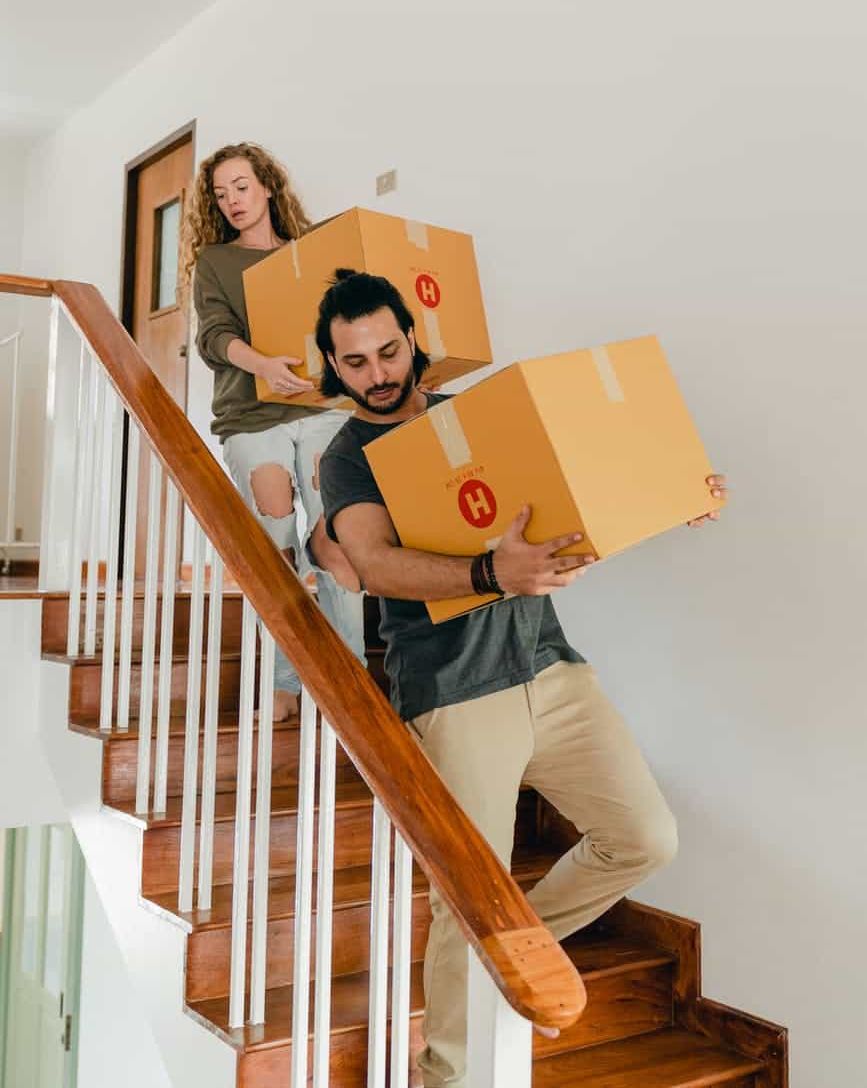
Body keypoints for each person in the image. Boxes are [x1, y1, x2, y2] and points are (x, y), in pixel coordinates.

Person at [314, 269, 727, 1088]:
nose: (378, 373)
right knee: (467, 896)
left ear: (411, 341)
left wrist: (669, 495)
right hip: (454, 695)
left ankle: (504, 952)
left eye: (388, 351)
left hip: (552, 669)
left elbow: (569, 510)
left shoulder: (474, 421)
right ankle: (449, 1074)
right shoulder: (348, 458)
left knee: (645, 839)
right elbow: (373, 563)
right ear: (332, 366)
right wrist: (490, 573)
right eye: (355, 362)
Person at [179, 144, 365, 719]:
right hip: (252, 415)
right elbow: (214, 337)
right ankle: (286, 679)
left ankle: (350, 674)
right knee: (278, 542)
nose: (231, 200)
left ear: (266, 186)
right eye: (220, 193)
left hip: (321, 408)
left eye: (240, 186)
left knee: (339, 538)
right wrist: (261, 365)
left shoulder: (310, 257)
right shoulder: (215, 261)